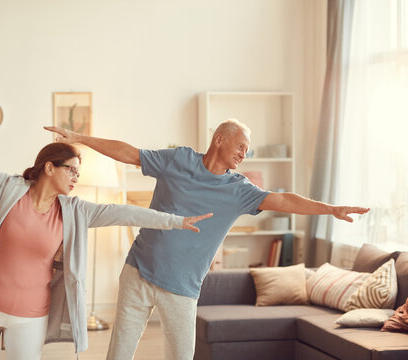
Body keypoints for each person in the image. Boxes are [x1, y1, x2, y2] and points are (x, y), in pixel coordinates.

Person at [0, 120, 213, 360]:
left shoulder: (75, 211)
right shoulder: (8, 189)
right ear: (50, 167)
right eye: (72, 170)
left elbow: (124, 212)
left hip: (30, 318)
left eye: (79, 174)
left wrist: (175, 221)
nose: (76, 178)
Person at [45, 119, 370, 360]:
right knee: (118, 355)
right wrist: (78, 138)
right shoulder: (178, 159)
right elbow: (130, 154)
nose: (245, 153)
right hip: (138, 271)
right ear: (219, 140)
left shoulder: (239, 190)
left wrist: (330, 209)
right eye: (240, 146)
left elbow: (284, 201)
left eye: (247, 149)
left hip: (182, 288)